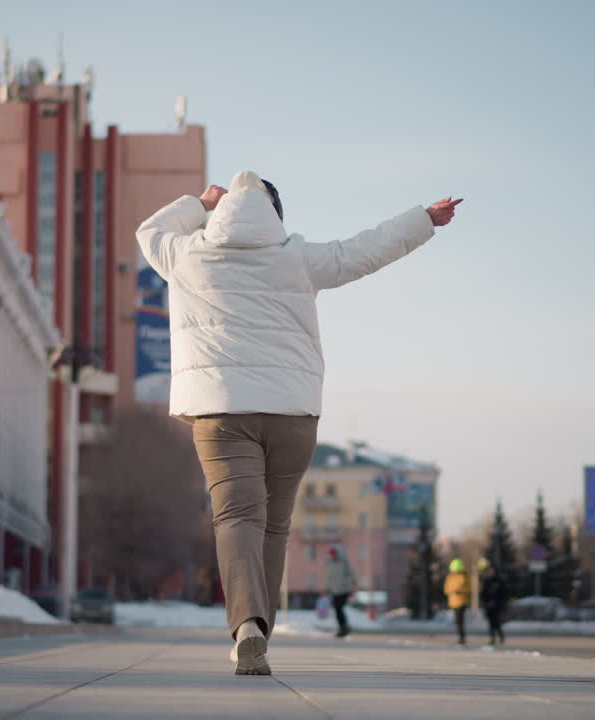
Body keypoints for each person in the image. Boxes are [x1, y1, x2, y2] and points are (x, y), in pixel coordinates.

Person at [136, 171, 462, 676]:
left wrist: (199, 203)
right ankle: (260, 631)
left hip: (221, 413)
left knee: (237, 518)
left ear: (220, 214)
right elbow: (366, 250)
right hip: (293, 414)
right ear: (276, 216)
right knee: (274, 525)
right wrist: (424, 220)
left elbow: (149, 232)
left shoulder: (187, 255)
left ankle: (246, 625)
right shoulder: (299, 256)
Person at [325, 546, 356, 638]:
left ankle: (344, 627)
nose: (331, 556)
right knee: (337, 609)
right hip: (335, 591)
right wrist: (328, 588)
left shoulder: (344, 563)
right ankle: (342, 627)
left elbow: (351, 574)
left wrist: (349, 586)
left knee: (339, 607)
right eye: (330, 554)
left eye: (333, 554)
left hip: (344, 590)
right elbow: (329, 578)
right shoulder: (329, 564)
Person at [478, 558, 507, 646]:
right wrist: (483, 603)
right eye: (489, 570)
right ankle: (492, 638)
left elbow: (503, 593)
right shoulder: (486, 581)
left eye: (492, 570)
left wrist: (502, 603)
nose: (491, 571)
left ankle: (500, 636)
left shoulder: (499, 580)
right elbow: (483, 593)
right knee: (490, 623)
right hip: (488, 605)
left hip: (497, 605)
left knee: (496, 622)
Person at [444, 558, 473, 645]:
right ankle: (461, 636)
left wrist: (461, 591)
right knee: (457, 621)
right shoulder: (450, 577)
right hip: (453, 602)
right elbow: (446, 589)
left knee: (460, 620)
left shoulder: (464, 576)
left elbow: (469, 589)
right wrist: (452, 591)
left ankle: (462, 637)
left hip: (462, 601)